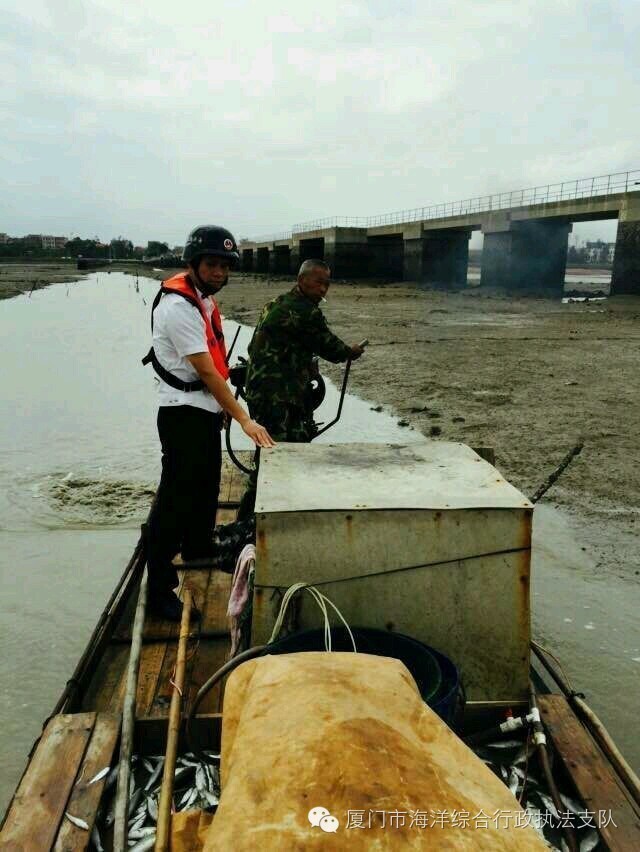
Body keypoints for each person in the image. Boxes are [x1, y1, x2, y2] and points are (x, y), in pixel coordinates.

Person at [143, 225, 274, 621]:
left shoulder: (204, 299)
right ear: (193, 263)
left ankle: (198, 545)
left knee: (207, 483)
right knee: (174, 499)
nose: (219, 272)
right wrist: (244, 419)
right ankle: (159, 589)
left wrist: (225, 401)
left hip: (202, 407)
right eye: (212, 264)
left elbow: (216, 366)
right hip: (182, 411)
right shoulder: (178, 307)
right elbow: (208, 373)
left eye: (224, 266)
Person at [237, 258, 364, 516]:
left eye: (327, 284)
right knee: (276, 455)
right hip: (277, 396)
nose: (323, 289)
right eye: (318, 282)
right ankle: (252, 518)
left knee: (280, 447)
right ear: (301, 280)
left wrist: (302, 364)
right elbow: (331, 347)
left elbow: (258, 347)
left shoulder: (276, 303)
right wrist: (351, 351)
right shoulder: (305, 311)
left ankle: (267, 511)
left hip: (261, 390)